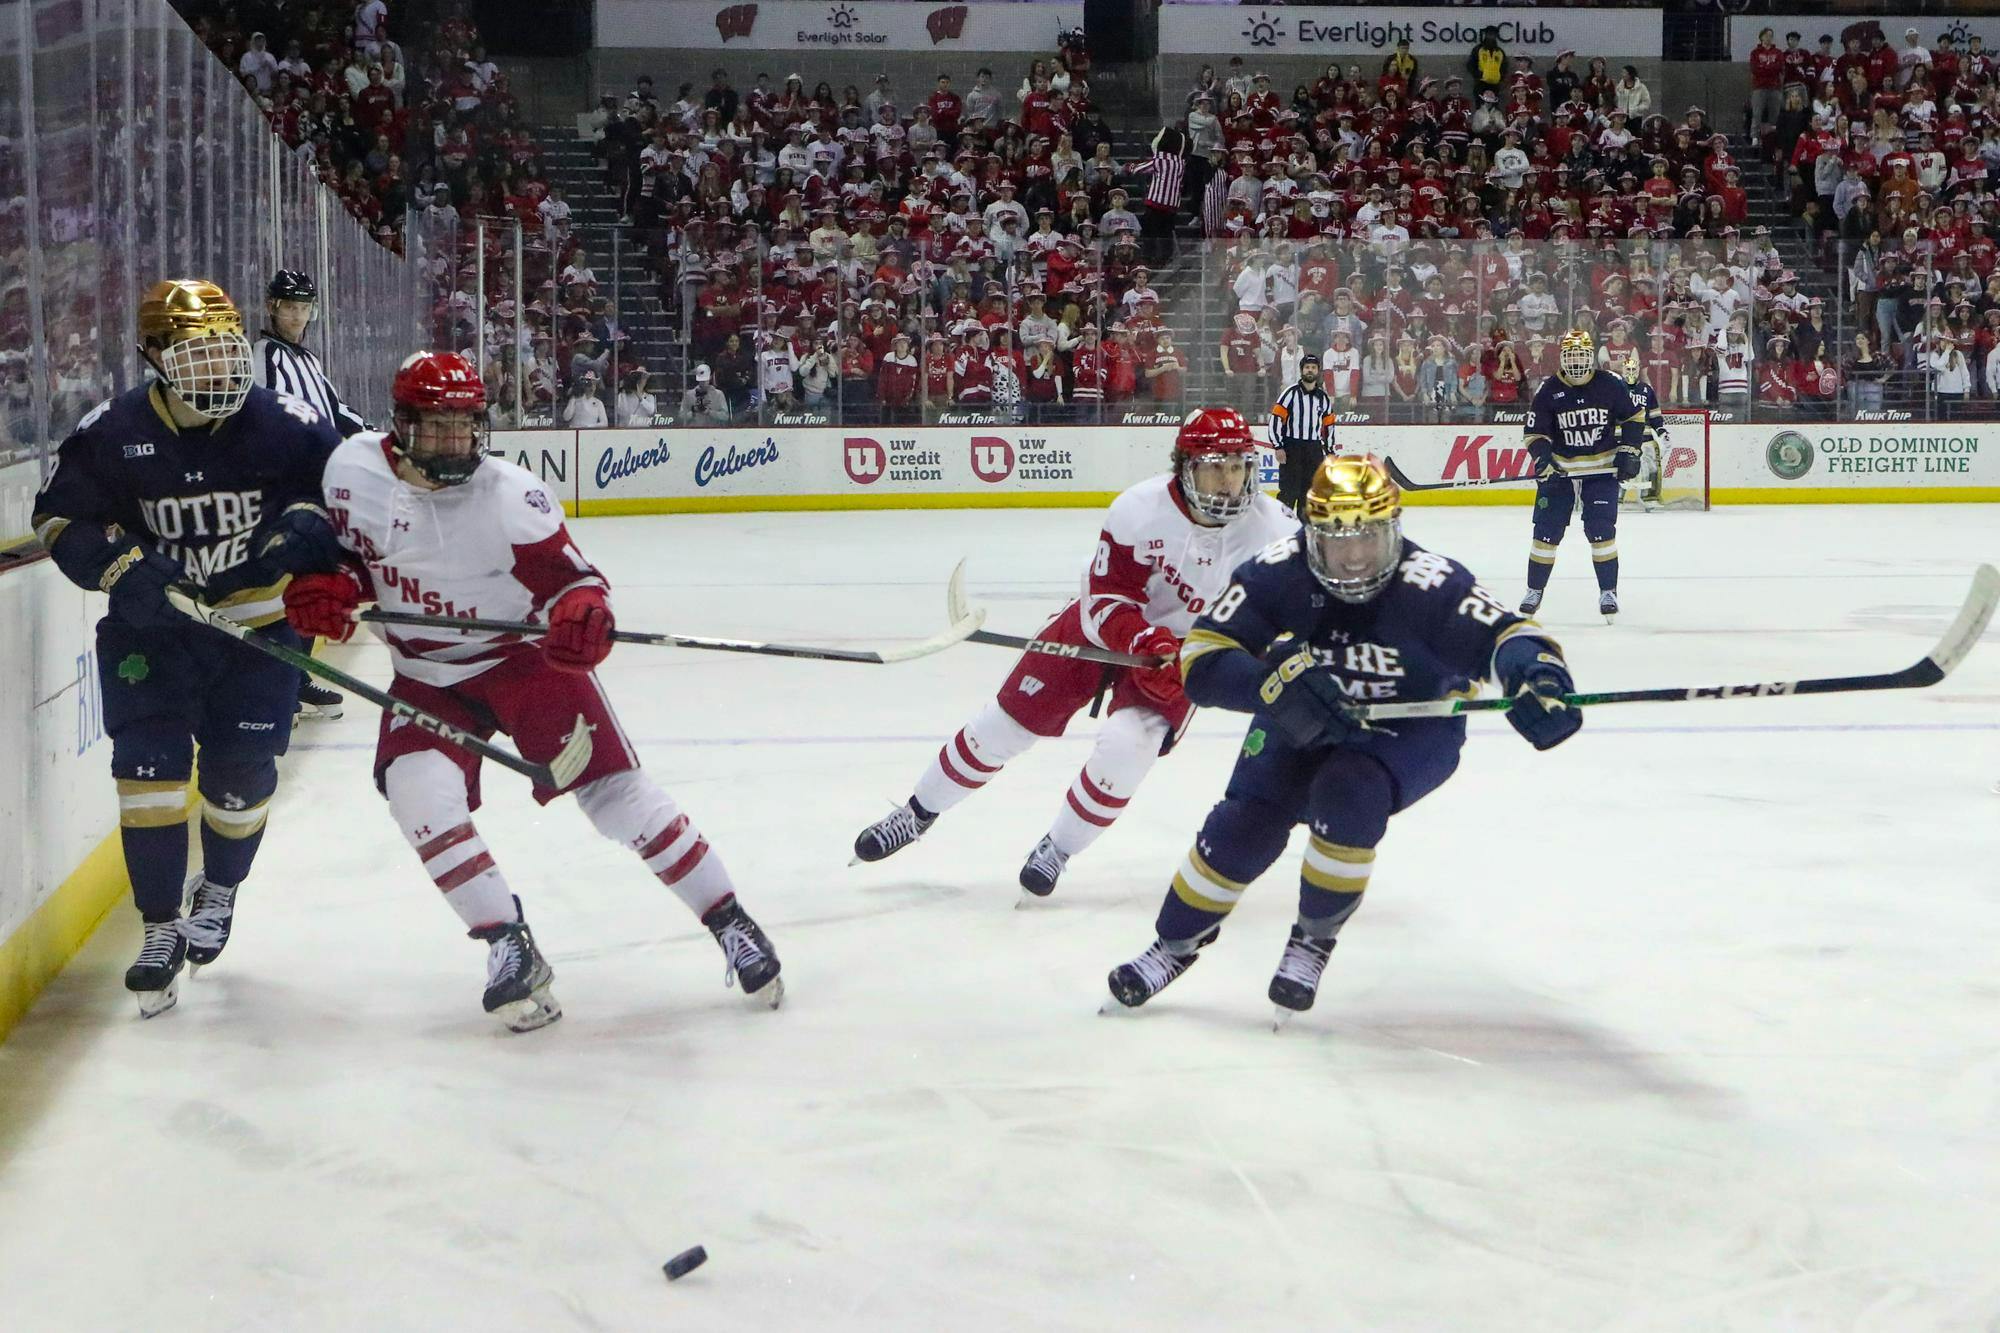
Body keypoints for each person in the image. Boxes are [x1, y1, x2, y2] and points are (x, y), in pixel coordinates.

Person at [280, 352, 782, 1030]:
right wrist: (337, 587)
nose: (457, 443)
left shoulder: (511, 496)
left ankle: (731, 920)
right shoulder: (351, 469)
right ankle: (507, 943)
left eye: (467, 427)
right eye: (438, 428)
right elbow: (362, 560)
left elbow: (576, 581)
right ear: (399, 426)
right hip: (427, 675)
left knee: (614, 798)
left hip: (520, 659)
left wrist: (584, 615)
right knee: (417, 794)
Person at [1102, 455, 1580, 1017]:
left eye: (1369, 538)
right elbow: (1204, 658)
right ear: (1310, 536)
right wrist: (1271, 684)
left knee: (1348, 794)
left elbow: (1509, 634)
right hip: (1301, 719)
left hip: (1407, 731)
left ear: (1394, 530)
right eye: (1336, 540)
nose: (1354, 556)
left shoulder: (1430, 583)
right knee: (1242, 827)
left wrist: (1539, 677)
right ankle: (1174, 943)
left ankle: (1312, 938)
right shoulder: (1276, 571)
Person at [30, 279, 344, 1017]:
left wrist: (307, 528)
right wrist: (117, 568)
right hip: (154, 637)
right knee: (150, 778)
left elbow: (339, 491)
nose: (217, 367)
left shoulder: (286, 422)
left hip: (256, 633)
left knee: (240, 782)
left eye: (223, 349)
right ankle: (158, 927)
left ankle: (221, 888)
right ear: (153, 355)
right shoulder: (112, 432)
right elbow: (55, 518)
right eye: (195, 352)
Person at [850, 409, 1297, 898]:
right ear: (1185, 466)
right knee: (1004, 725)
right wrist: (1143, 638)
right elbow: (1106, 597)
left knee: (1128, 748)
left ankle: (1057, 849)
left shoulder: (1276, 533)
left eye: (1238, 466)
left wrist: (1225, 654)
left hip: (1182, 658)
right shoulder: (1139, 509)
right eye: (1216, 466)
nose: (1229, 482)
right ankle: (915, 813)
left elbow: (1289, 615)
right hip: (1101, 631)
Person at [253, 269, 362, 722]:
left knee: (310, 579)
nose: (297, 316)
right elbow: (262, 410)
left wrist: (373, 438)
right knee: (282, 584)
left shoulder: (308, 360)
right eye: (289, 307)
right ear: (273, 307)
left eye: (303, 308)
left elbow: (335, 411)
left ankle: (294, 679)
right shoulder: (264, 355)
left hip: (314, 483)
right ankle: (281, 683)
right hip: (282, 486)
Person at [1520, 329, 1643, 621]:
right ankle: (1534, 590)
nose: (1576, 361)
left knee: (1601, 532)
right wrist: (1543, 459)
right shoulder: (1549, 389)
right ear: (1562, 357)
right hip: (1561, 472)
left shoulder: (1610, 384)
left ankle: (1608, 592)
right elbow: (1534, 432)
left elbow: (1634, 418)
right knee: (1545, 534)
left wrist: (1629, 450)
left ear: (1591, 357)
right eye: (1570, 355)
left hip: (1600, 472)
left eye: (1581, 355)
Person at [1268, 352, 1337, 514]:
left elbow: (1329, 426)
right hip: (1292, 447)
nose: (1310, 370)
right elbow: (1276, 419)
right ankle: (1282, 528)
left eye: (1313, 368)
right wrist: (1278, 446)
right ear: (1301, 370)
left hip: (1313, 449)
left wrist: (1330, 451)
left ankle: (1304, 531)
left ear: (1318, 371)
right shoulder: (1290, 393)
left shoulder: (1323, 398)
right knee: (1289, 491)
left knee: (1310, 493)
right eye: (1307, 367)